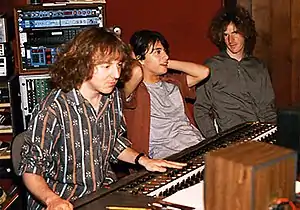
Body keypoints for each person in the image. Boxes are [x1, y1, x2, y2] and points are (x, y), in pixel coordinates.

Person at [17, 27, 186, 210]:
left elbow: (112, 143)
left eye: (119, 65)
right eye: (106, 66)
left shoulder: (111, 97)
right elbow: (30, 169)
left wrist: (143, 160)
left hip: (101, 195)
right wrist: (52, 200)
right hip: (64, 200)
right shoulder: (52, 109)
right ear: (82, 64)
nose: (116, 74)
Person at [121, 30, 210, 159]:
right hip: (167, 156)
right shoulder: (135, 90)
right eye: (157, 52)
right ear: (138, 57)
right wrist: (135, 58)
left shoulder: (172, 82)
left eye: (164, 51)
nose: (165, 56)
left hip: (197, 145)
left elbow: (203, 72)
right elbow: (136, 72)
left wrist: (164, 62)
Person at [194, 6, 277, 138]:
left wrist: (273, 134)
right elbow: (201, 110)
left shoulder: (258, 66)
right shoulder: (212, 67)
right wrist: (214, 140)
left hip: (260, 135)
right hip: (231, 138)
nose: (230, 40)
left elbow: (268, 108)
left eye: (235, 33)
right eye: (226, 35)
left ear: (245, 33)